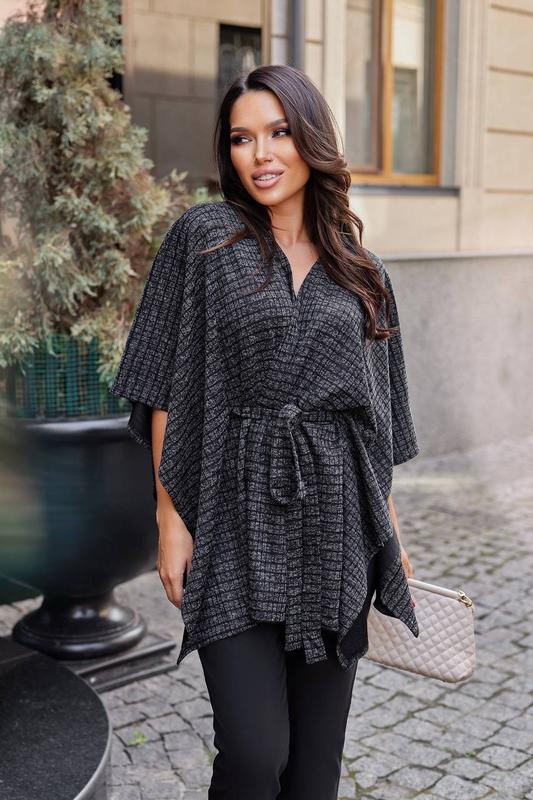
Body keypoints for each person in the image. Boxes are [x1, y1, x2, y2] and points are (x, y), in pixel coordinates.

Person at [110, 63, 420, 800]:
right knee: (254, 755)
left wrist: (392, 537)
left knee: (313, 772)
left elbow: (375, 425)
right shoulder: (205, 239)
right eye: (241, 138)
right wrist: (170, 521)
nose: (261, 154)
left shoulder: (363, 271)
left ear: (311, 138)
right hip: (233, 518)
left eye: (279, 132)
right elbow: (163, 384)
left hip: (337, 528)